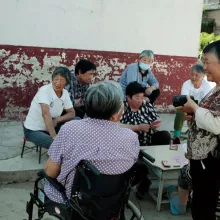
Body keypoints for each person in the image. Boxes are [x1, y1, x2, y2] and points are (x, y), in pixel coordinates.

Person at [43, 81, 149, 203]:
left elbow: (50, 172)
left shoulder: (69, 129)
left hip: (74, 201)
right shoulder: (131, 137)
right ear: (115, 115)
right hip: (111, 201)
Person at [176, 40, 220, 220]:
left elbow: (218, 124)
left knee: (205, 206)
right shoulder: (216, 88)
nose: (204, 66)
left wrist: (195, 109)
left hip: (211, 161)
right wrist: (193, 115)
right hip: (201, 161)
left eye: (207, 61)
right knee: (200, 203)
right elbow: (209, 116)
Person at [24, 67, 75, 149]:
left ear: (66, 82)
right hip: (34, 130)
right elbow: (45, 114)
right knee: (57, 146)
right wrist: (54, 136)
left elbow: (72, 113)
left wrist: (57, 119)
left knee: (76, 120)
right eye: (56, 79)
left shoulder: (65, 93)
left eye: (62, 80)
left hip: (52, 125)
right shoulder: (45, 91)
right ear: (52, 79)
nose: (58, 83)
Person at [120, 81, 171, 146]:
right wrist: (137, 127)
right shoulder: (122, 107)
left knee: (165, 135)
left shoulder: (146, 104)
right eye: (137, 98)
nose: (140, 101)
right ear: (128, 97)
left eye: (142, 97)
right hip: (129, 144)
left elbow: (156, 118)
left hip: (149, 140)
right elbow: (116, 126)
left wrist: (157, 123)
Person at [173, 64, 214, 143]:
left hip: (200, 109)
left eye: (197, 75)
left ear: (203, 76)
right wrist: (186, 113)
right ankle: (176, 137)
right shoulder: (186, 84)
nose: (193, 77)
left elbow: (206, 104)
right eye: (192, 74)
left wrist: (195, 112)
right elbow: (183, 100)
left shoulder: (207, 86)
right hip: (187, 108)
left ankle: (200, 138)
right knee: (179, 111)